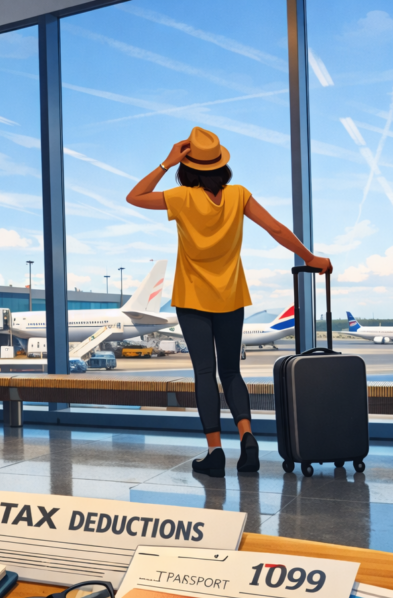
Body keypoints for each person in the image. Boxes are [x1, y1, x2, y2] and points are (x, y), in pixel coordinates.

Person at [127, 127, 332, 478]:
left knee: (204, 374)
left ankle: (214, 451)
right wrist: (309, 257)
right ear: (221, 165)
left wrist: (166, 161)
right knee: (231, 371)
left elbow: (135, 196)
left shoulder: (180, 198)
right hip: (231, 296)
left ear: (187, 165)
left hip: (192, 298)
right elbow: (277, 229)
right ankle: (247, 437)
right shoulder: (238, 195)